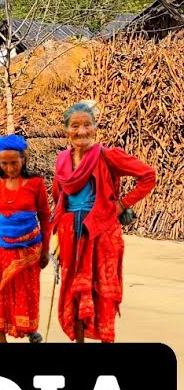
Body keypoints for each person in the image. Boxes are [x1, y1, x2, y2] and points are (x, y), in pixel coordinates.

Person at [51, 100, 156, 344]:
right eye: (75, 126)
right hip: (71, 234)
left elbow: (148, 176)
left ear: (95, 127)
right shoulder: (62, 160)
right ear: (66, 131)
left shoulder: (106, 156)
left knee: (101, 291)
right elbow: (59, 195)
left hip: (101, 233)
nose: (81, 131)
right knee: (75, 293)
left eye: (87, 125)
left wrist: (120, 205)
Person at [0, 134, 49, 343]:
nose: (9, 168)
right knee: (2, 292)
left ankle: (29, 328)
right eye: (4, 163)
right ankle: (1, 335)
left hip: (30, 248)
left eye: (14, 163)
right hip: (2, 249)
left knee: (29, 291)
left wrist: (45, 250)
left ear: (23, 159)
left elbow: (44, 216)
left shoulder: (36, 184)